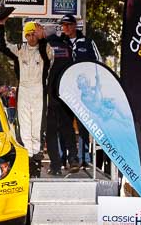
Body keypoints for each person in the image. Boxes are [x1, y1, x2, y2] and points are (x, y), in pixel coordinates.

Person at [0, 17, 53, 178]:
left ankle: (36, 159)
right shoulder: (20, 49)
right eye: (28, 34)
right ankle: (27, 159)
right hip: (24, 89)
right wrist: (1, 25)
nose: (31, 38)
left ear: (39, 35)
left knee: (37, 125)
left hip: (39, 90)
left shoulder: (46, 49)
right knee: (24, 125)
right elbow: (2, 46)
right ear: (25, 36)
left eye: (34, 34)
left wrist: (43, 38)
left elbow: (47, 54)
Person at [60, 14, 102, 169]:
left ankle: (84, 158)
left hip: (83, 92)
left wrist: (96, 85)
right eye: (64, 25)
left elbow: (99, 63)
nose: (66, 27)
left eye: (69, 24)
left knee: (84, 124)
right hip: (65, 91)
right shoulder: (60, 43)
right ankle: (64, 158)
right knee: (64, 124)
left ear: (75, 26)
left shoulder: (88, 42)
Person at [41, 28, 79, 176]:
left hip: (49, 98)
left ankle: (55, 166)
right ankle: (73, 159)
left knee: (50, 133)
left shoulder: (43, 47)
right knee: (68, 129)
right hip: (65, 96)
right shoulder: (67, 47)